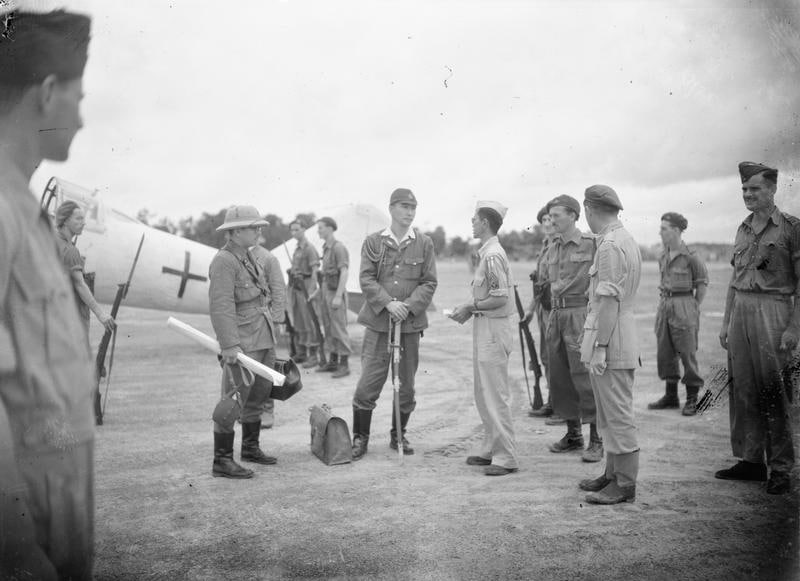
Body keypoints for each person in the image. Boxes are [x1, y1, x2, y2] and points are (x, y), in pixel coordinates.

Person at [0, 7, 96, 579]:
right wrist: (14, 550)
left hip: (58, 484)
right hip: (26, 512)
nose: (82, 121)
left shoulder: (24, 208)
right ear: (48, 90)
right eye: (79, 101)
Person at [715, 162, 798, 495]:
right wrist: (725, 322)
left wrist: (794, 327)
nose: (748, 195)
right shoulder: (743, 228)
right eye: (745, 190)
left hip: (773, 312)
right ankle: (751, 461)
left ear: (773, 189)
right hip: (741, 314)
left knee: (774, 392)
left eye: (755, 189)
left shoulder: (790, 229)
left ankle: (781, 467)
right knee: (744, 389)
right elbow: (734, 282)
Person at [351, 188, 437, 460]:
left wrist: (407, 307)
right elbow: (365, 279)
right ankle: (360, 437)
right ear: (391, 209)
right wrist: (389, 303)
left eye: (413, 207)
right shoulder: (374, 242)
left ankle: (398, 434)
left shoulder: (424, 243)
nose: (409, 212)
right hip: (379, 324)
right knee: (369, 383)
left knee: (407, 386)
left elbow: (429, 282)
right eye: (403, 206)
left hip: (409, 326)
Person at [578, 185, 642, 505]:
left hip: (611, 335)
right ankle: (612, 473)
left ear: (589, 209)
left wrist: (600, 345)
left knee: (617, 413)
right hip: (616, 332)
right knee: (608, 412)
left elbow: (608, 302)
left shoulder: (608, 246)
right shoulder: (623, 239)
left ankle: (625, 483)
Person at [209, 206, 279, 479]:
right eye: (254, 227)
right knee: (232, 400)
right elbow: (221, 305)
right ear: (236, 232)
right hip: (242, 342)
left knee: (259, 395)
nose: (259, 231)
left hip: (262, 337)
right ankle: (222, 460)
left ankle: (250, 448)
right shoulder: (224, 261)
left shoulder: (247, 257)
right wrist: (229, 345)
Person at [450, 201, 519, 476]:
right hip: (485, 326)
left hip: (494, 328)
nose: (472, 222)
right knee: (483, 393)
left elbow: (500, 297)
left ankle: (506, 456)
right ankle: (491, 448)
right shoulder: (487, 253)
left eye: (475, 219)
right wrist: (470, 309)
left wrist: (470, 307)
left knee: (494, 394)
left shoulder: (492, 256)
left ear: (486, 223)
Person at [542, 195, 602, 463]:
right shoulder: (552, 246)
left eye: (556, 215)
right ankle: (573, 433)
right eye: (550, 216)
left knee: (584, 377)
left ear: (573, 215)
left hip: (579, 313)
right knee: (560, 376)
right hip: (556, 313)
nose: (551, 220)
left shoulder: (592, 244)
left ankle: (597, 439)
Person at [649, 212, 708, 416]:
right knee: (665, 351)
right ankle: (671, 396)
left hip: (684, 303)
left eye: (664, 228)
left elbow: (701, 286)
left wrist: (691, 308)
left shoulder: (691, 256)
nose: (660, 232)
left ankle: (692, 398)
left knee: (687, 352)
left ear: (676, 230)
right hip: (665, 304)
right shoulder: (662, 255)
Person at [524, 205, 562, 422]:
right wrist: (530, 310)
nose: (547, 224)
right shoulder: (546, 245)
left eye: (550, 219)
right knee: (547, 357)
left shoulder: (559, 245)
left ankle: (562, 407)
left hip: (556, 308)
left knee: (558, 358)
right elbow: (540, 285)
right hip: (543, 308)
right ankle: (553, 401)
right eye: (544, 221)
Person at [54, 200, 116, 333]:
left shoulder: (48, 240)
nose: (83, 222)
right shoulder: (70, 250)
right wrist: (101, 314)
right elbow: (79, 284)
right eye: (78, 218)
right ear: (65, 221)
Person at [251, 233, 287, 430]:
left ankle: (267, 410)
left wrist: (277, 319)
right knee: (245, 367)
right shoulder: (235, 256)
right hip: (245, 322)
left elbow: (279, 289)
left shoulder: (268, 258)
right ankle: (249, 408)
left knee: (266, 367)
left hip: (264, 319)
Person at [314, 216, 352, 378]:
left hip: (335, 292)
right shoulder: (326, 248)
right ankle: (333, 360)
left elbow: (344, 272)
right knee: (329, 327)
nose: (318, 231)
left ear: (330, 228)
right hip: (325, 291)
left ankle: (344, 364)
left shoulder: (338, 248)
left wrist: (338, 296)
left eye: (321, 227)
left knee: (338, 328)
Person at [287, 219, 322, 367]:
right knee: (299, 322)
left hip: (306, 287)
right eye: (292, 230)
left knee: (309, 322)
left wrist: (311, 290)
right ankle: (301, 353)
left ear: (304, 229)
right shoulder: (297, 249)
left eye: (297, 229)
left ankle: (313, 355)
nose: (294, 233)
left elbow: (315, 270)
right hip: (296, 287)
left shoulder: (309, 248)